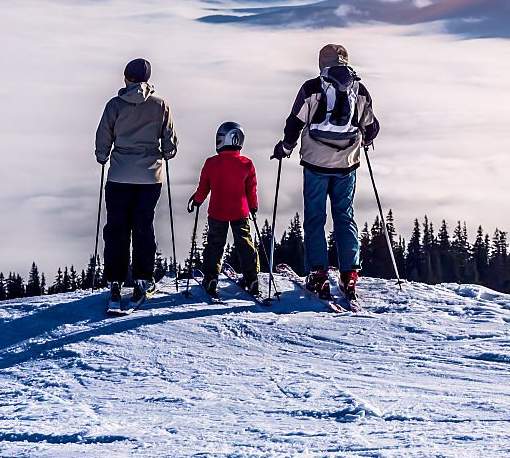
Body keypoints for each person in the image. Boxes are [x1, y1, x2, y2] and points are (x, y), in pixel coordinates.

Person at [271, 44, 379, 301]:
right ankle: (349, 274)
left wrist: (285, 147)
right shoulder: (359, 89)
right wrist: (363, 140)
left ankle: (318, 275)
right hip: (347, 164)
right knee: (344, 216)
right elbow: (371, 127)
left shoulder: (312, 88)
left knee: (315, 218)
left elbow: (295, 122)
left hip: (315, 164)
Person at [95, 58, 178, 310]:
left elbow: (103, 137)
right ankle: (142, 279)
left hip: (119, 175)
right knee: (143, 227)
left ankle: (116, 282)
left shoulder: (115, 105)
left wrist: (103, 156)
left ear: (126, 78)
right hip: (149, 178)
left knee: (116, 229)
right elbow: (170, 144)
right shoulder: (161, 105)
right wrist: (163, 153)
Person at [188, 122, 261, 300]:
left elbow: (204, 187)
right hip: (240, 211)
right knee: (245, 243)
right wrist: (253, 206)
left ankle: (211, 278)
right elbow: (251, 189)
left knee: (215, 244)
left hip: (217, 211)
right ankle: (252, 279)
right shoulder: (246, 164)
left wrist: (197, 201)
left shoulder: (211, 163)